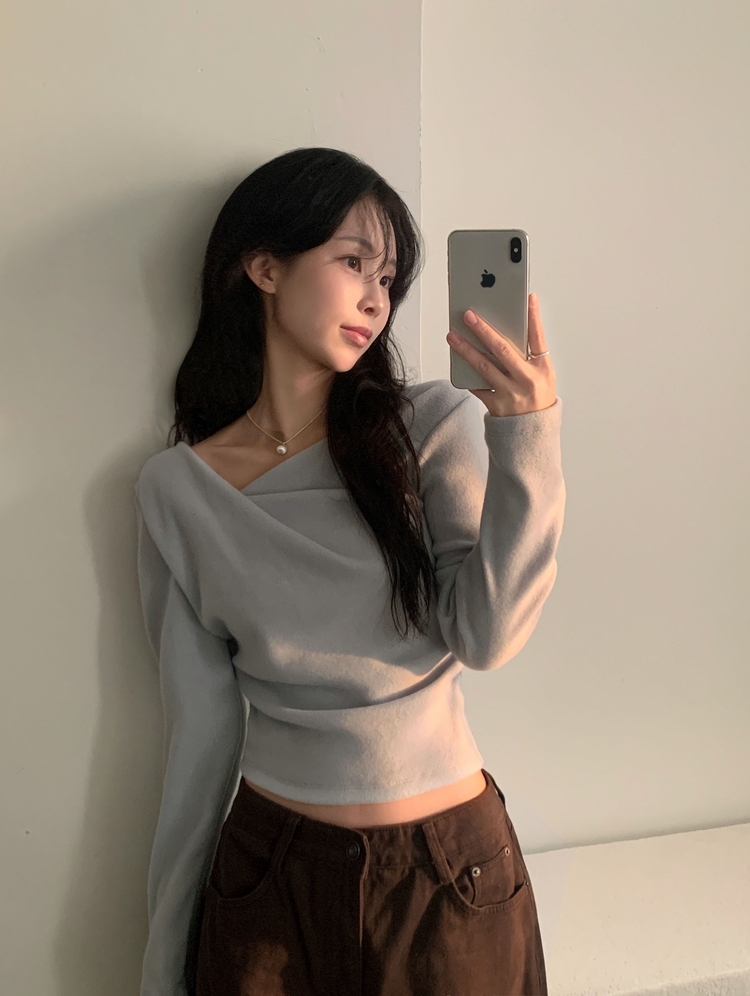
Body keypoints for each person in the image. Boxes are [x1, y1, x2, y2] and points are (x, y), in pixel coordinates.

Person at [134, 146, 564, 996]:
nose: (377, 298)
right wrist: (162, 960)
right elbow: (200, 739)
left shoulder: (428, 427)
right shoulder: (176, 492)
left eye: (389, 277)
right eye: (353, 262)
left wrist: (528, 433)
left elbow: (487, 635)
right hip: (269, 877)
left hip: (450, 879)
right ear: (264, 267)